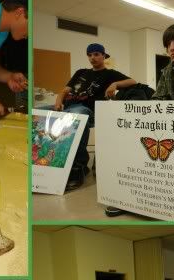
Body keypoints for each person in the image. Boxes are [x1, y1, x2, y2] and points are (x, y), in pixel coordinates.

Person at [55, 43, 137, 190]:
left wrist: (115, 84)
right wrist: (58, 100)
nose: (92, 57)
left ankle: (79, 165)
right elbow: (65, 90)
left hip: (87, 110)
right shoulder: (80, 72)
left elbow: (133, 81)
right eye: (90, 55)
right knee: (38, 111)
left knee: (76, 116)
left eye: (96, 54)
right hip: (68, 106)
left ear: (104, 56)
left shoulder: (110, 74)